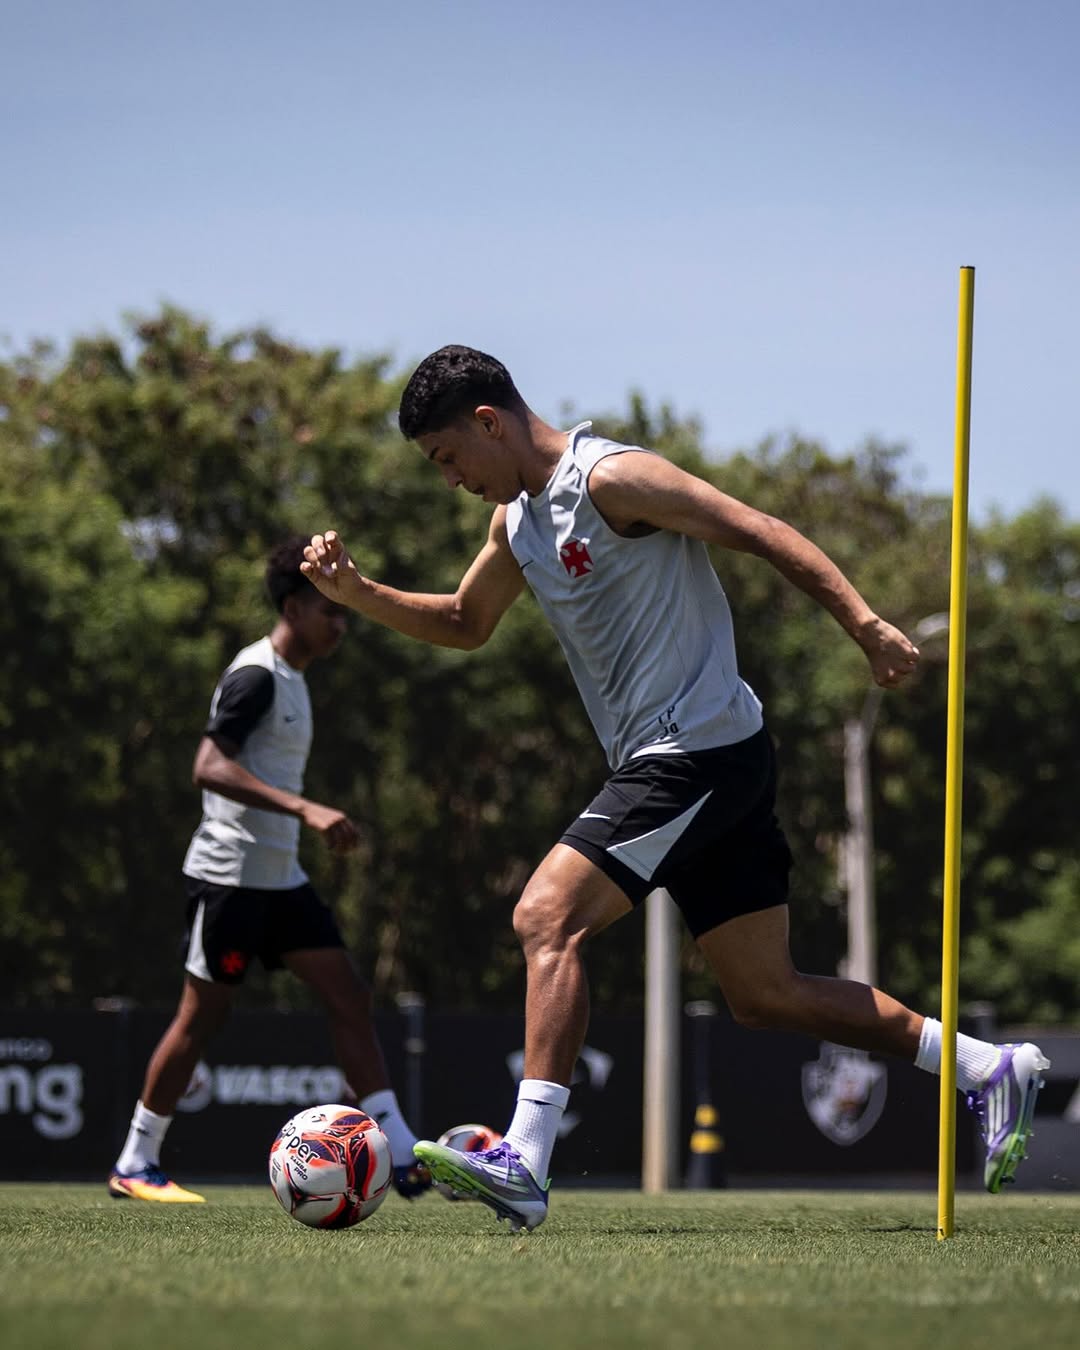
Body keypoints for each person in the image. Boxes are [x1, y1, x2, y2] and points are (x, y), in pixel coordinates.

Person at [301, 346, 1049, 1233]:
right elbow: (466, 623)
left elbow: (757, 528)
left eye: (448, 456)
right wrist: (358, 592)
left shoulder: (613, 479)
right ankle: (986, 1068)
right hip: (705, 757)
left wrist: (865, 623)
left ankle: (525, 1161)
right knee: (765, 994)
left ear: (489, 423)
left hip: (693, 752)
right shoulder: (517, 525)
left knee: (545, 917)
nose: (452, 479)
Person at [108, 537, 430, 1203]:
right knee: (201, 1017)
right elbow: (208, 766)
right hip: (229, 879)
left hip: (280, 880)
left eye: (343, 612)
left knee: (348, 994)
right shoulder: (255, 675)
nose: (340, 623)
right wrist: (306, 808)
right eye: (328, 611)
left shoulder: (295, 679)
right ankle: (136, 1161)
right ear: (292, 608)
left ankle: (400, 1151)